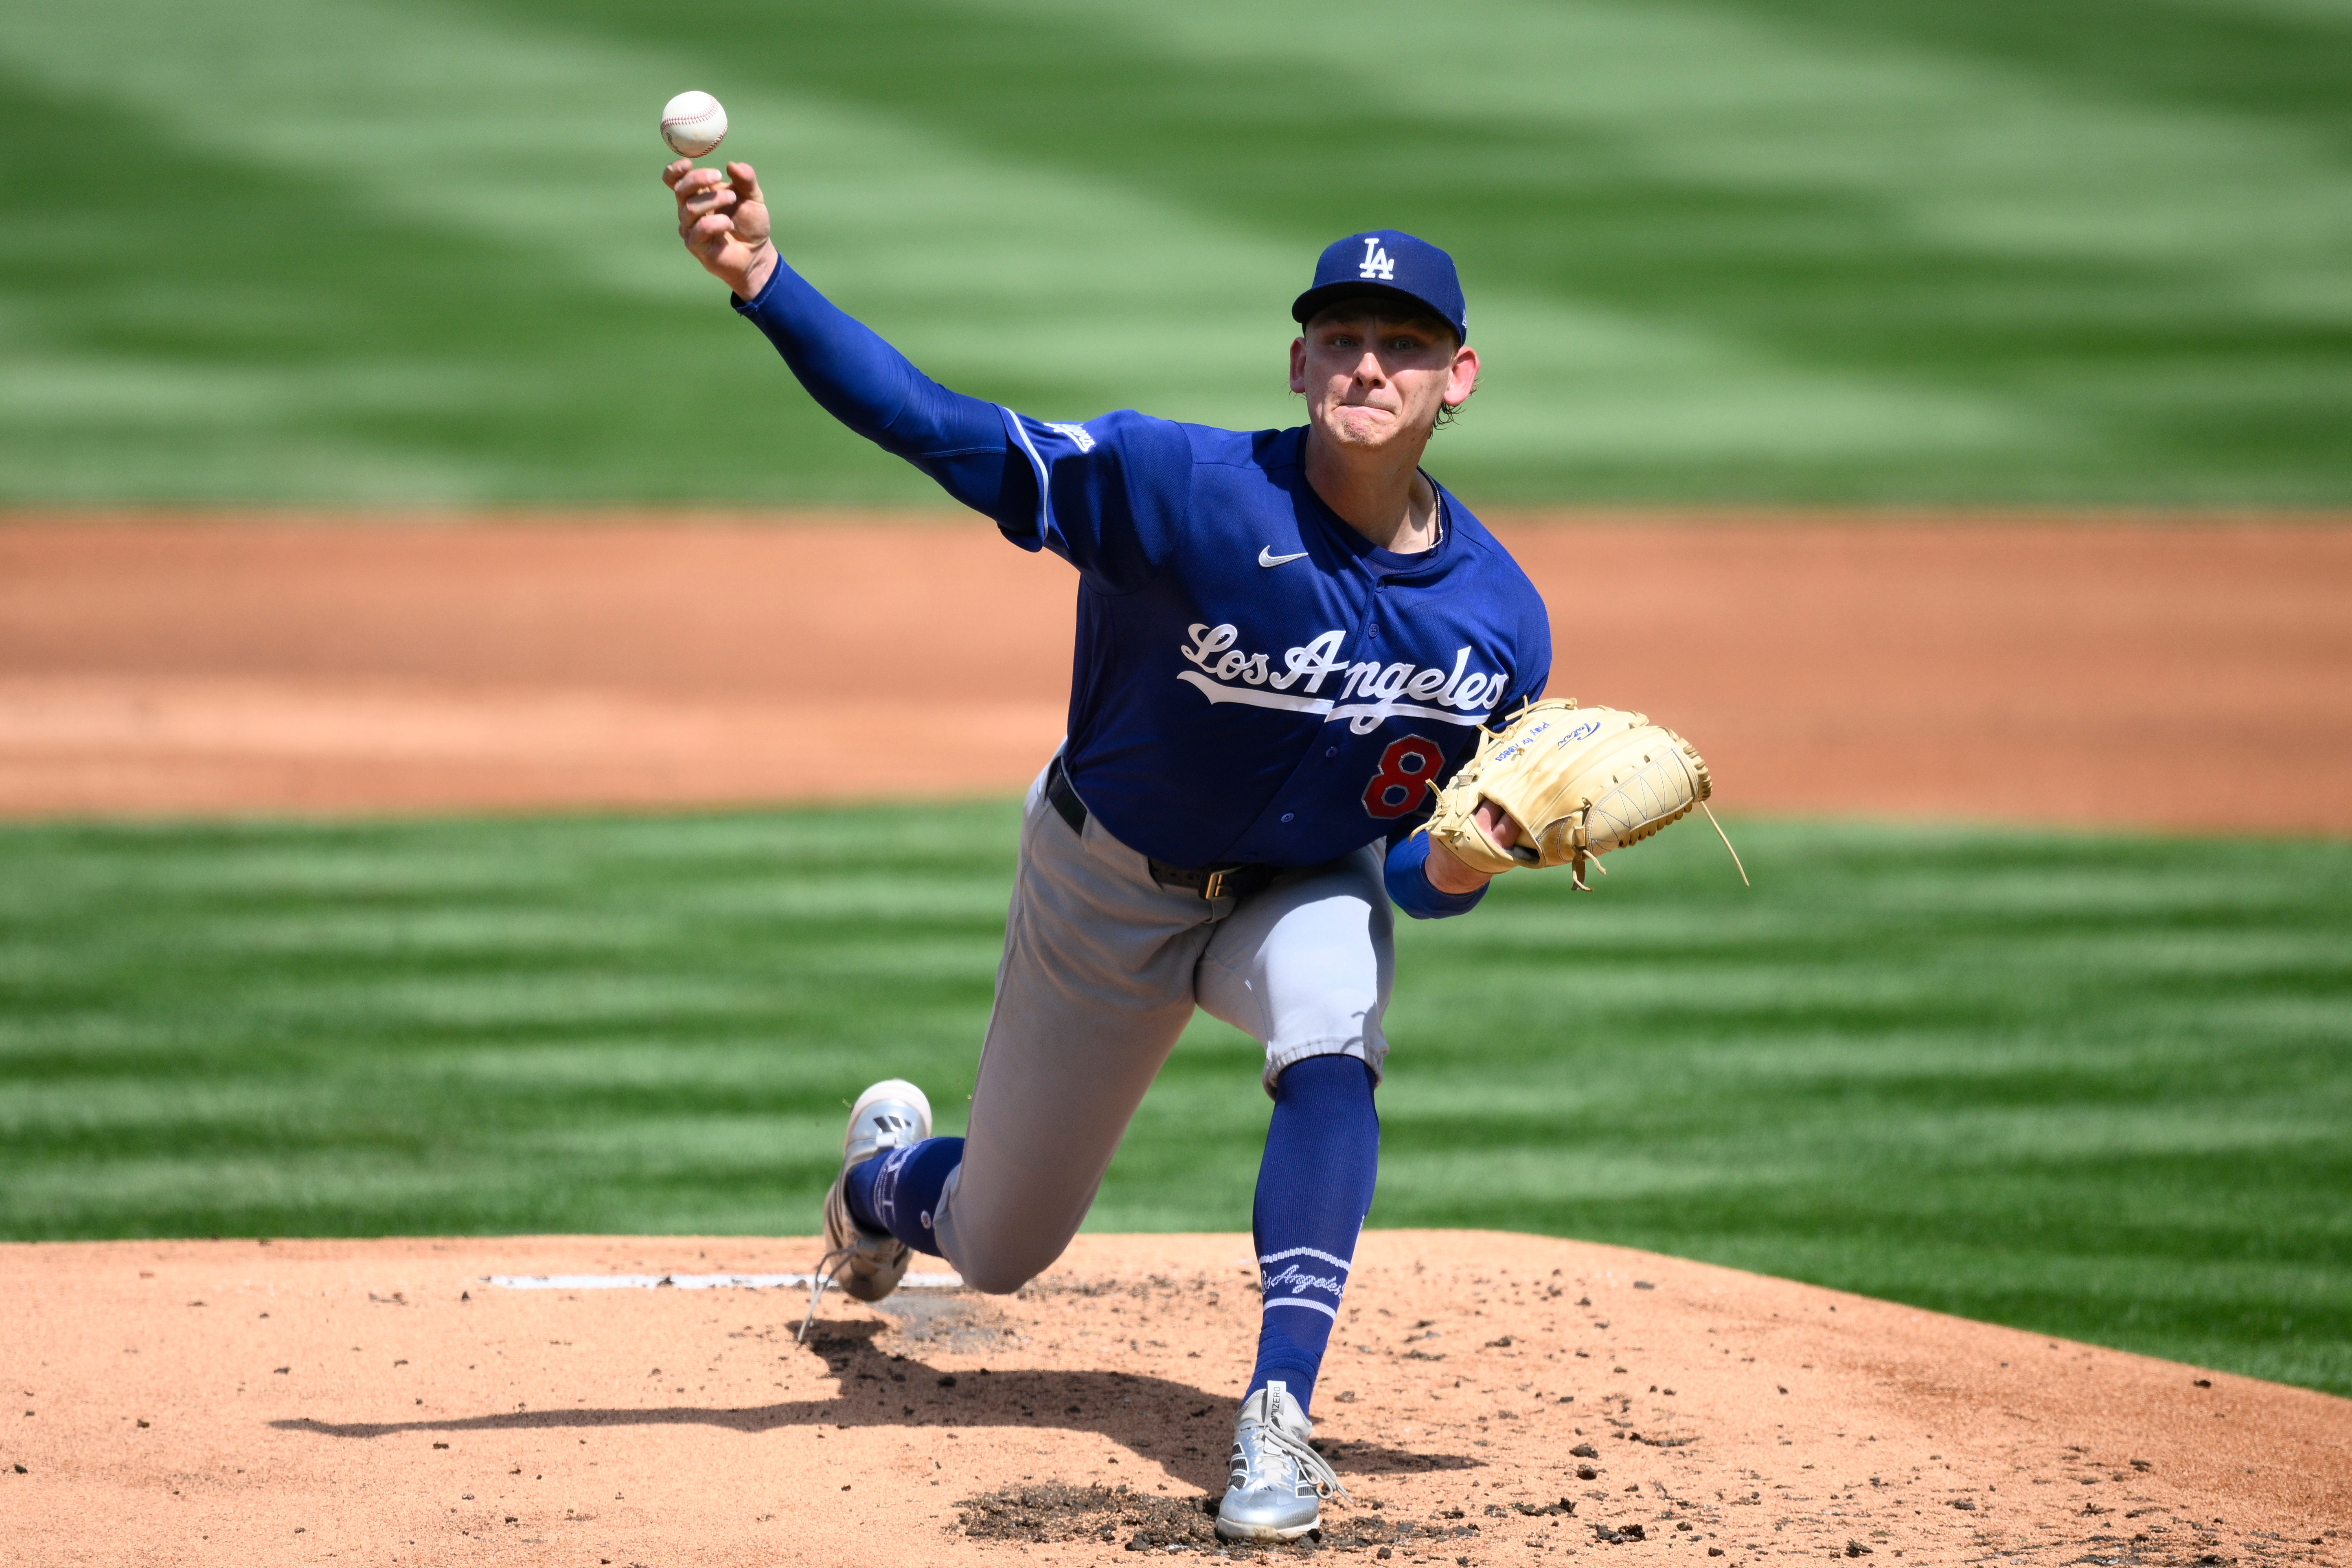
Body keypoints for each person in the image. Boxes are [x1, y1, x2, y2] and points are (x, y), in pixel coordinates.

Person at [665, 156, 1551, 1542]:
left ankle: (1277, 1417)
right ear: (1299, 357)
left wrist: (1464, 862)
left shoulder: (1495, 627)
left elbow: (1402, 881)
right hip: (1105, 882)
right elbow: (935, 428)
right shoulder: (1176, 486)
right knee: (1005, 1244)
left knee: (1338, 1013)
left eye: (1404, 345)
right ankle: (882, 1182)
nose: (1368, 364)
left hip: (1295, 891)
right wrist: (764, 284)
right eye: (1341, 337)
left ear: (1460, 375)